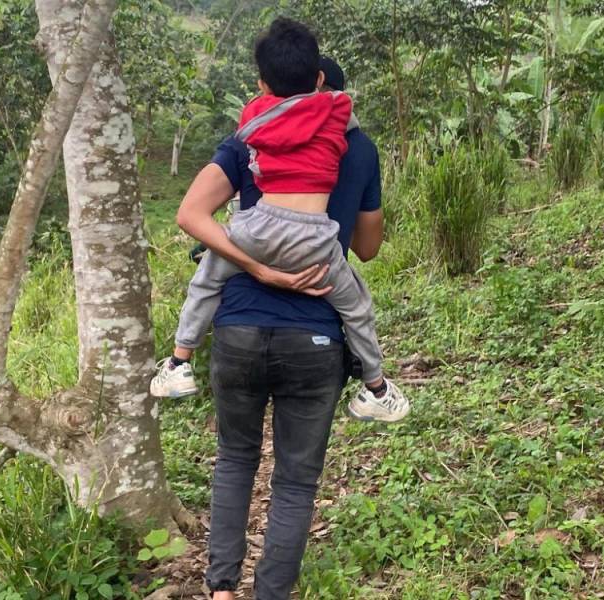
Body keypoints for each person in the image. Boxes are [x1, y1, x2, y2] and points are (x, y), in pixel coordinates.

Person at [167, 26, 394, 600]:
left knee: (235, 461)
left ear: (263, 84)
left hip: (239, 326)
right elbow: (367, 249)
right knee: (294, 483)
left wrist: (258, 266)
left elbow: (192, 212)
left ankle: (220, 591)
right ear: (321, 82)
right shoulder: (357, 146)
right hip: (316, 336)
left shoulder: (248, 136)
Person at [150, 17, 408, 424]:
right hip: (316, 241)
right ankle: (376, 387)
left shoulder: (253, 121)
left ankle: (178, 362)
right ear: (320, 78)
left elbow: (199, 202)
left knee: (208, 277)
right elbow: (338, 105)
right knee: (357, 306)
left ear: (262, 85)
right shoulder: (337, 112)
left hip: (259, 229)